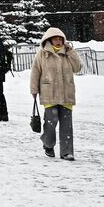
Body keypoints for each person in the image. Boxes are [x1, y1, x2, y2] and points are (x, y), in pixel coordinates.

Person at [29, 27, 84, 160]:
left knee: (67, 126)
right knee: (50, 123)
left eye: (60, 39)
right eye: (55, 39)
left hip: (66, 94)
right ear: (49, 40)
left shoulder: (68, 53)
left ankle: (66, 152)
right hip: (49, 94)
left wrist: (72, 53)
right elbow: (35, 72)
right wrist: (34, 89)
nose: (58, 41)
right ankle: (48, 144)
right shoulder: (42, 54)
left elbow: (77, 68)